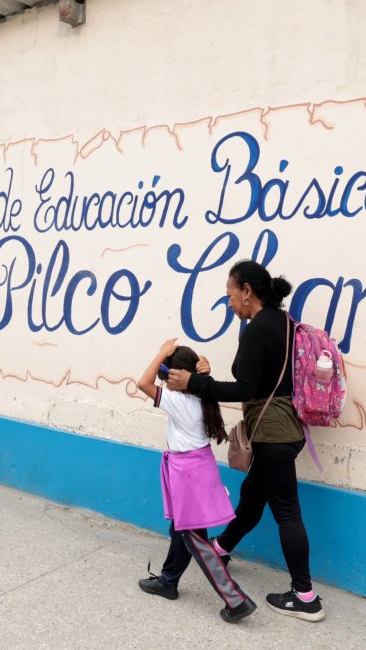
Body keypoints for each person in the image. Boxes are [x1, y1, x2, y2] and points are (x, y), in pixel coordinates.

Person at [166, 260, 325, 622]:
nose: (229, 302)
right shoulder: (284, 323)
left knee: (287, 512)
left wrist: (193, 383)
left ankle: (305, 596)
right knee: (252, 498)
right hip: (288, 429)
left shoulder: (256, 329)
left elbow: (245, 389)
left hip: (272, 434)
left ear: (247, 291)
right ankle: (221, 548)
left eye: (230, 294)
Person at [135, 339, 256, 623]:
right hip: (199, 467)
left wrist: (161, 353)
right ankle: (168, 581)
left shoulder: (178, 400)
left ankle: (236, 600)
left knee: (195, 539)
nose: (163, 379)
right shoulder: (203, 394)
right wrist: (202, 369)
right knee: (181, 529)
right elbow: (197, 379)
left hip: (187, 473)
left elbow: (142, 383)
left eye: (166, 374)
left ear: (176, 376)